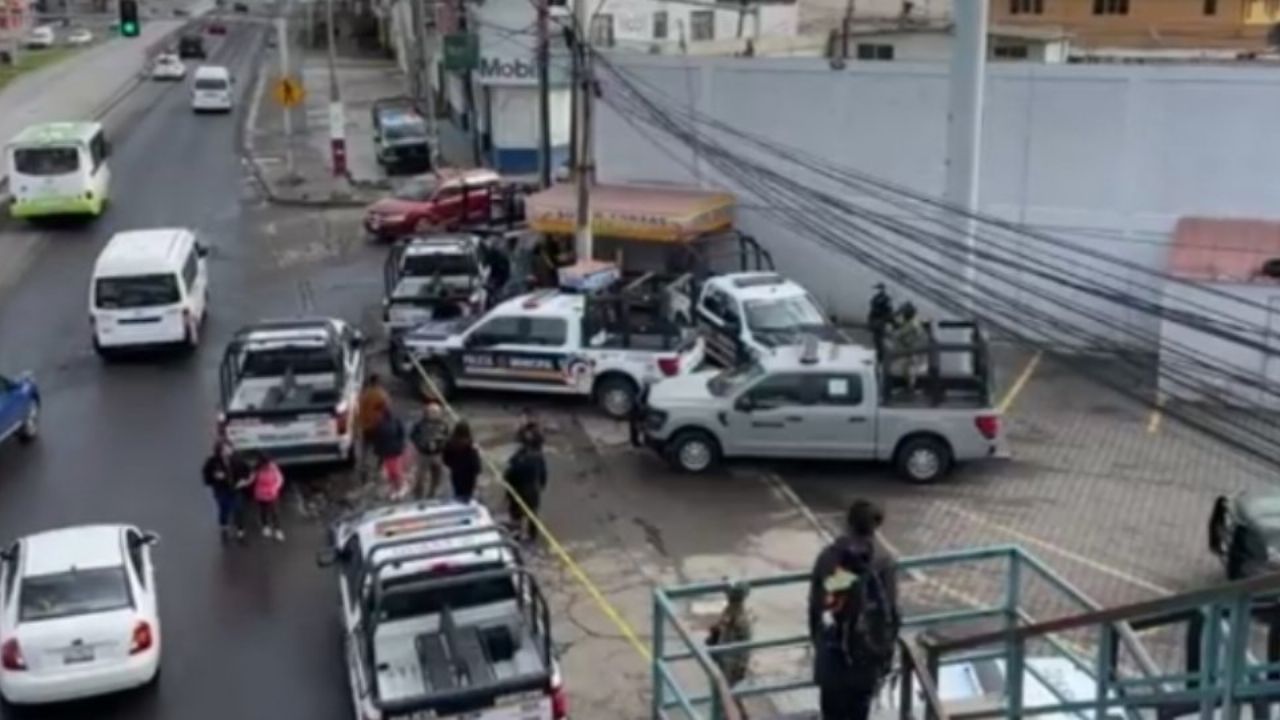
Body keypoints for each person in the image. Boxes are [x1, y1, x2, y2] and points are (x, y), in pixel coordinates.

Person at [807, 499, 900, 720]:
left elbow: (816, 604)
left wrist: (817, 639)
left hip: (833, 649)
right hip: (866, 653)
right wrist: (886, 652)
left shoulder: (829, 556)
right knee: (859, 710)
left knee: (832, 711)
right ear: (877, 525)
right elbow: (891, 609)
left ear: (848, 523)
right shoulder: (883, 560)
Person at [707, 580, 754, 691]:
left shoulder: (739, 619)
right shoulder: (731, 612)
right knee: (721, 685)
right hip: (726, 656)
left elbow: (743, 650)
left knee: (725, 688)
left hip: (731, 662)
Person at [202, 439, 248, 541]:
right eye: (224, 450)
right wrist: (214, 476)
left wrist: (244, 481)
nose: (228, 452)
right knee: (224, 510)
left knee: (238, 510)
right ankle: (224, 527)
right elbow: (206, 475)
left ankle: (240, 532)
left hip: (236, 489)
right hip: (221, 491)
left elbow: (247, 472)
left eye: (229, 449)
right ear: (219, 451)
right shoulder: (212, 462)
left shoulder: (238, 460)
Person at [503, 440, 547, 543]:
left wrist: (508, 492)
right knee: (532, 513)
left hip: (519, 490)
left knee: (517, 514)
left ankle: (517, 536)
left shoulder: (518, 458)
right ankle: (532, 536)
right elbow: (543, 473)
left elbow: (509, 475)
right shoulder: (537, 457)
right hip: (532, 490)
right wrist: (541, 484)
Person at [409, 400, 451, 499]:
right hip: (423, 455)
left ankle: (432, 494)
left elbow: (447, 437)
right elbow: (413, 436)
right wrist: (420, 445)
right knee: (420, 477)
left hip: (437, 454)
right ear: (427, 412)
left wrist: (441, 444)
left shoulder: (443, 425)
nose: (434, 414)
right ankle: (418, 495)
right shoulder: (420, 424)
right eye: (432, 412)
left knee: (437, 475)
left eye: (436, 412)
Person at [356, 374, 391, 482]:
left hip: (366, 426)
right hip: (378, 426)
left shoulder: (363, 395)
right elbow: (387, 411)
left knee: (365, 450)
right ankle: (378, 470)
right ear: (378, 382)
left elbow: (358, 410)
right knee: (381, 449)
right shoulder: (381, 395)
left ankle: (364, 470)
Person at [888, 302, 927, 393]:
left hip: (913, 351)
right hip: (910, 350)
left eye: (904, 313)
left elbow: (898, 334)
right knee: (906, 369)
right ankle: (909, 387)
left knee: (909, 370)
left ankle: (910, 388)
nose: (902, 315)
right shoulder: (912, 321)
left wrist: (893, 327)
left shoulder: (912, 323)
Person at [371, 409, 408, 498]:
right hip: (390, 451)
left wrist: (377, 451)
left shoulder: (380, 425)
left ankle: (399, 487)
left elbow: (377, 439)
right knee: (391, 472)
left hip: (392, 451)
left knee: (395, 471)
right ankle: (395, 488)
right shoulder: (385, 424)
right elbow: (402, 435)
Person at [442, 421, 483, 503]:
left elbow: (445, 458)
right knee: (468, 492)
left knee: (458, 491)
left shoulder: (450, 443)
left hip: (456, 471)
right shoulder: (471, 445)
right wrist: (478, 470)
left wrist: (451, 465)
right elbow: (474, 459)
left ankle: (459, 504)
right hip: (469, 473)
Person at [251, 452, 286, 542]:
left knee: (275, 512)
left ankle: (278, 530)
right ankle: (265, 526)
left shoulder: (273, 468)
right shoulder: (257, 469)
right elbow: (251, 479)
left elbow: (279, 478)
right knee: (264, 511)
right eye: (266, 463)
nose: (268, 465)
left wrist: (275, 487)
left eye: (269, 462)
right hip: (261, 493)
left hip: (272, 492)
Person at [867, 283, 895, 354]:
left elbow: (889, 310)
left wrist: (890, 320)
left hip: (882, 321)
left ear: (882, 289)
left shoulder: (885, 299)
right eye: (877, 289)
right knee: (877, 340)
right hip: (877, 321)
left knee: (880, 340)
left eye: (878, 289)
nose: (877, 290)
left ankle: (882, 355)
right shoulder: (876, 298)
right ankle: (880, 355)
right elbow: (872, 311)